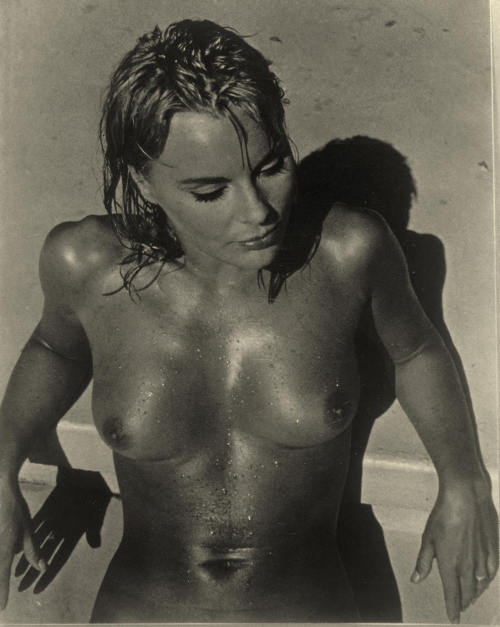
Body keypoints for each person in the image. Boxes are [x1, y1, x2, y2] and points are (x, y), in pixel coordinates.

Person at [0, 19, 497, 623]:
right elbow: (54, 348)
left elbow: (415, 349)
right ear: (144, 183)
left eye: (271, 166)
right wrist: (3, 463)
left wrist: (464, 480)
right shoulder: (86, 267)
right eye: (211, 191)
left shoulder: (347, 254)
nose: (259, 211)